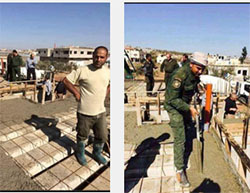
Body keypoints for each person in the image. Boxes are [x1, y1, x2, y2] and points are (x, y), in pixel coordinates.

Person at [164, 52, 208, 187]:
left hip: (185, 105)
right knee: (180, 138)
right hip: (174, 107)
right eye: (198, 68)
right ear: (191, 64)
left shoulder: (195, 75)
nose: (200, 72)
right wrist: (189, 108)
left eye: (202, 69)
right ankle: (179, 169)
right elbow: (171, 99)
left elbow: (194, 86)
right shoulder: (180, 75)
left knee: (188, 128)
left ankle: (185, 149)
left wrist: (200, 90)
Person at [63, 46, 110, 166]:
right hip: (85, 112)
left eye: (101, 57)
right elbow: (66, 81)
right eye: (96, 56)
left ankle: (97, 153)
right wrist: (76, 93)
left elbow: (110, 84)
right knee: (82, 136)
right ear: (92, 56)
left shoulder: (108, 71)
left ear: (106, 58)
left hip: (100, 112)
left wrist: (105, 94)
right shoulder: (83, 70)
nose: (98, 59)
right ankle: (80, 153)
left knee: (102, 135)